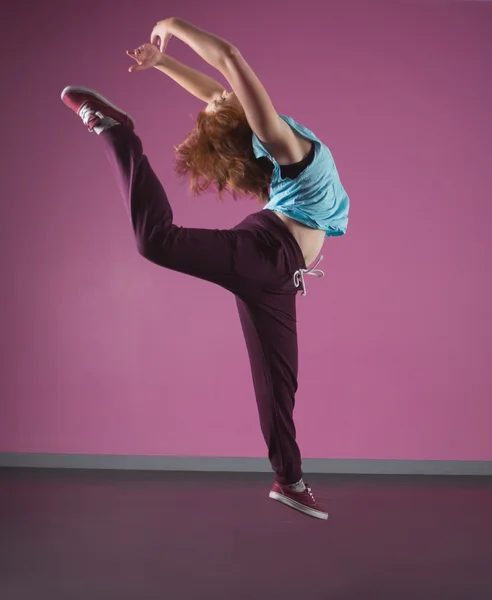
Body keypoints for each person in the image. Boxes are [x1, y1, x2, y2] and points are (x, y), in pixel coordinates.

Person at [61, 17, 349, 520]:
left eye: (220, 103)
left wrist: (164, 60)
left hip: (278, 274)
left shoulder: (278, 140)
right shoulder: (282, 142)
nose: (216, 98)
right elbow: (230, 62)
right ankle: (119, 137)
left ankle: (290, 480)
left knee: (278, 383)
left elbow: (220, 85)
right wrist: (172, 27)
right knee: (155, 240)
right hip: (266, 252)